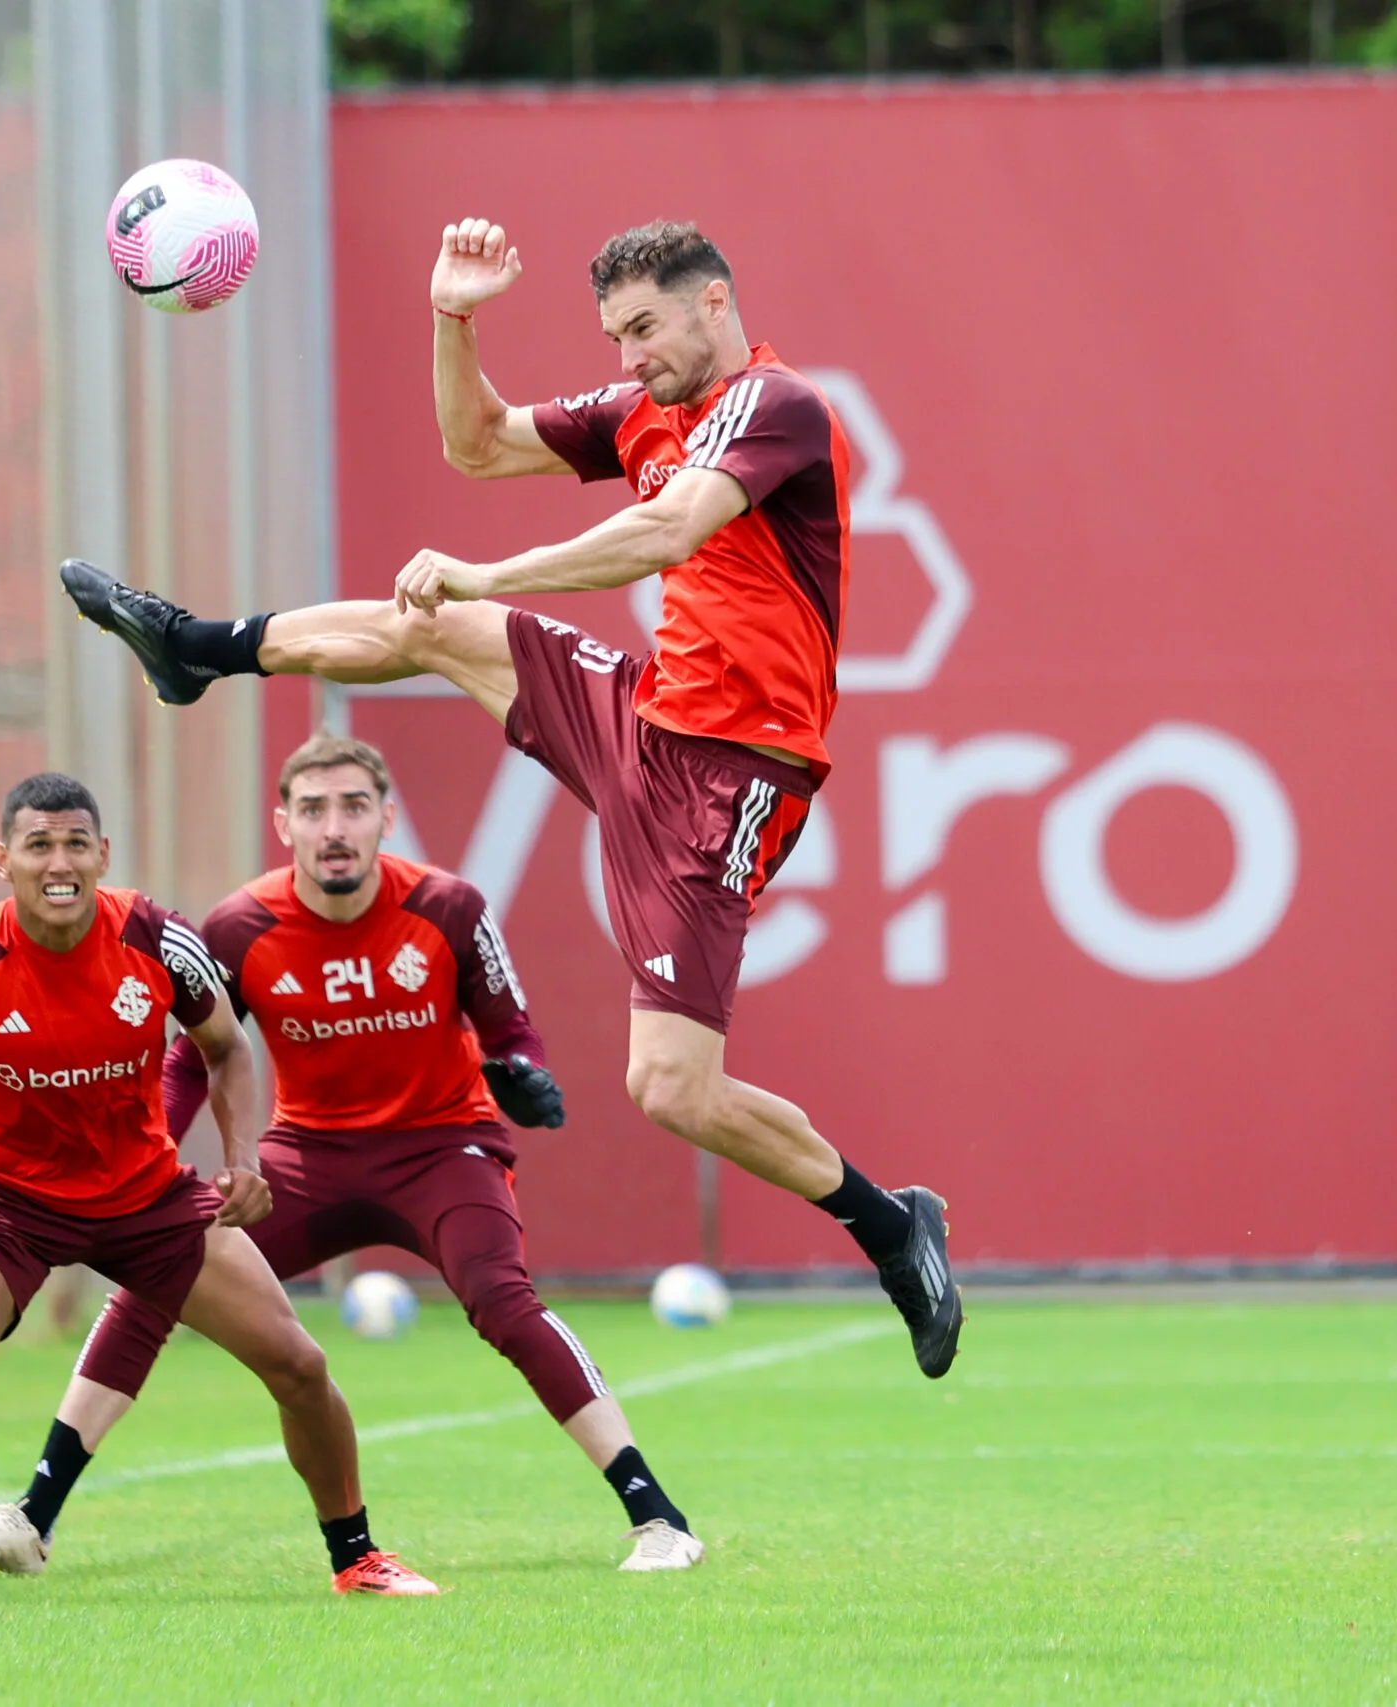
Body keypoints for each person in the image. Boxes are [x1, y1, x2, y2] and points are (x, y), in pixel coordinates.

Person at [58, 217, 961, 1376]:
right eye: (613, 334)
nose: (628, 354)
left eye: (643, 328)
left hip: (733, 775)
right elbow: (478, 446)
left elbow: (667, 527)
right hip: (642, 717)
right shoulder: (642, 409)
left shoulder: (774, 406)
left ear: (715, 305)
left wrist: (488, 569)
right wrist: (453, 316)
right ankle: (195, 647)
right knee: (445, 628)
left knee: (671, 1090)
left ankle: (893, 1226)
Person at [0, 734, 705, 1577]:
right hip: (304, 1155)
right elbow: (197, 1053)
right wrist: (150, 1158)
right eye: (313, 809)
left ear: (386, 817)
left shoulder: (450, 907)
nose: (333, 827)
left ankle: (657, 1517)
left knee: (500, 1297)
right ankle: (31, 1521)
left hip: (441, 1149)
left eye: (351, 807)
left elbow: (511, 1030)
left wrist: (523, 1074)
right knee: (153, 1282)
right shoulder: (239, 925)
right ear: (284, 824)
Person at [0, 773, 439, 1606]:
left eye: (77, 842)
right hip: (4, 1196)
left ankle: (358, 1556)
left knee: (299, 1361)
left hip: (143, 1194)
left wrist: (242, 1157)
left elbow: (225, 1047)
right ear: (5, 860)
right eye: (39, 845)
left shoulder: (156, 937)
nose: (60, 861)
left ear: (103, 854)